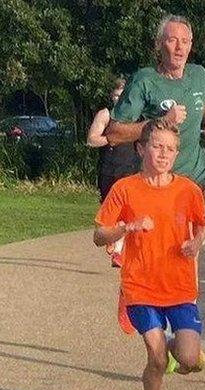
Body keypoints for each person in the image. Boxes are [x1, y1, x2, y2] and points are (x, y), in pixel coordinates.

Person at [93, 119, 205, 390]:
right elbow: (99, 235)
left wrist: (196, 244)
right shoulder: (125, 189)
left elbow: (200, 225)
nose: (164, 154)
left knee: (187, 359)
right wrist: (126, 228)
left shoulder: (188, 190)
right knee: (156, 356)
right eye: (157, 146)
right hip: (140, 286)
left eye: (170, 149)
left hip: (180, 288)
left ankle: (179, 352)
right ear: (141, 148)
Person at [105, 15, 205, 196]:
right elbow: (113, 134)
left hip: (195, 180)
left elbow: (201, 101)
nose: (179, 48)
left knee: (198, 225)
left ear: (191, 45)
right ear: (159, 44)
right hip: (158, 185)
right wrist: (162, 121)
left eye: (185, 41)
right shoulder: (145, 80)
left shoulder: (199, 75)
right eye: (172, 40)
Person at [87, 77, 140, 267]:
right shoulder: (105, 114)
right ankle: (111, 238)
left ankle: (118, 251)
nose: (120, 99)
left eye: (123, 95)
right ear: (112, 96)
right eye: (117, 95)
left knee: (127, 211)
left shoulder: (135, 117)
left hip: (131, 169)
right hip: (109, 169)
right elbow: (92, 139)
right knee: (109, 214)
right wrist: (111, 138)